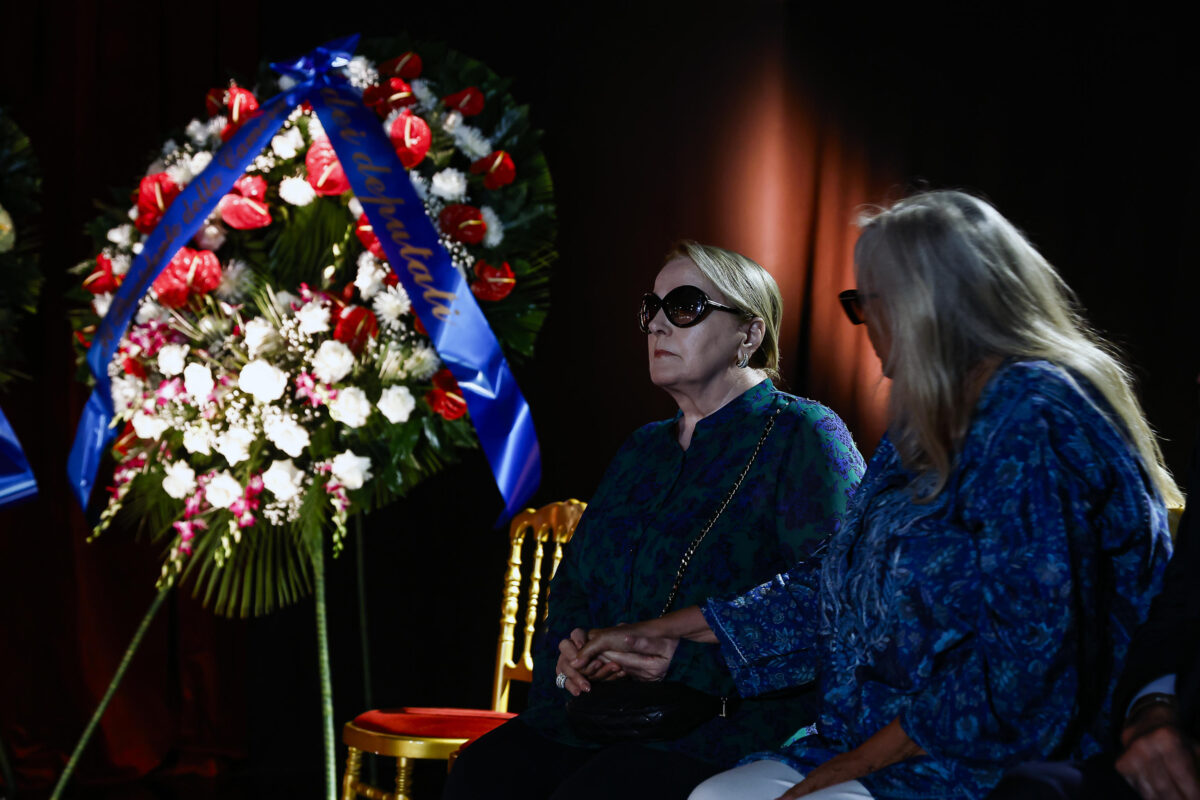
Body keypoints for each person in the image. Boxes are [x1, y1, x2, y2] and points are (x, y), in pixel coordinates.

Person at [574, 190, 1182, 799]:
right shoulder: (921, 422)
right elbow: (828, 584)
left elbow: (1026, 666)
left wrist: (854, 765)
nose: (866, 328)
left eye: (868, 303)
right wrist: (663, 633)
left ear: (929, 301)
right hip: (869, 738)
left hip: (977, 761)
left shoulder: (1035, 413)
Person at [442, 241, 866, 800]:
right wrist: (572, 656)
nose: (658, 326)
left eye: (685, 306)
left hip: (727, 722)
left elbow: (840, 601)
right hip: (606, 715)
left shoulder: (804, 434)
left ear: (750, 334)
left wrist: (685, 661)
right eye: (651, 308)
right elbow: (575, 583)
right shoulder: (643, 448)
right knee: (484, 774)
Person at [988, 379, 1200, 800]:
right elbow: (1180, 604)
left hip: (971, 735)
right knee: (1034, 791)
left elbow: (1024, 673)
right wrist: (1152, 706)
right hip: (1173, 746)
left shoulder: (1041, 418)